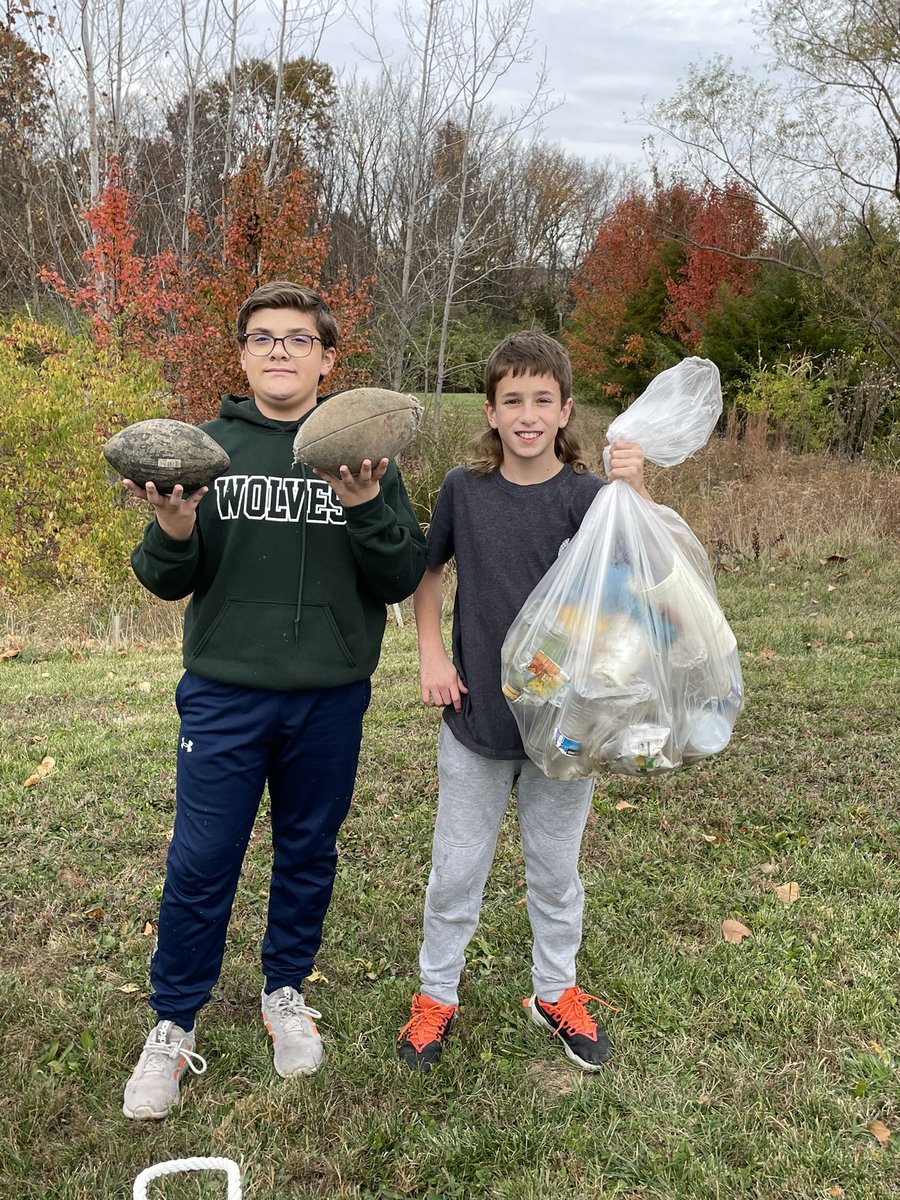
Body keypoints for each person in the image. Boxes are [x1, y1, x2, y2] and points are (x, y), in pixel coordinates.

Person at [120, 281, 426, 1119]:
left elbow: (401, 573)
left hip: (329, 695)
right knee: (200, 861)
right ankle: (173, 1024)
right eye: (263, 338)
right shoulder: (204, 450)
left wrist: (365, 508)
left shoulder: (366, 455)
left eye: (299, 339)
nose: (280, 351)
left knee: (308, 851)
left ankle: (284, 992)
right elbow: (162, 580)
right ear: (243, 355)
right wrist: (174, 531)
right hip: (224, 693)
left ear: (329, 360)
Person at [397, 330, 649, 1073]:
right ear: (491, 411)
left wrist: (635, 488)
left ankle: (555, 993)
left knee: (554, 872)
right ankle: (436, 996)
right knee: (456, 871)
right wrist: (433, 654)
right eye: (514, 400)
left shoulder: (590, 498)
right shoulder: (462, 490)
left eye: (544, 399)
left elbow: (639, 568)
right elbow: (428, 571)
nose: (529, 413)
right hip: (475, 722)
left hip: (565, 733)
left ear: (567, 410)